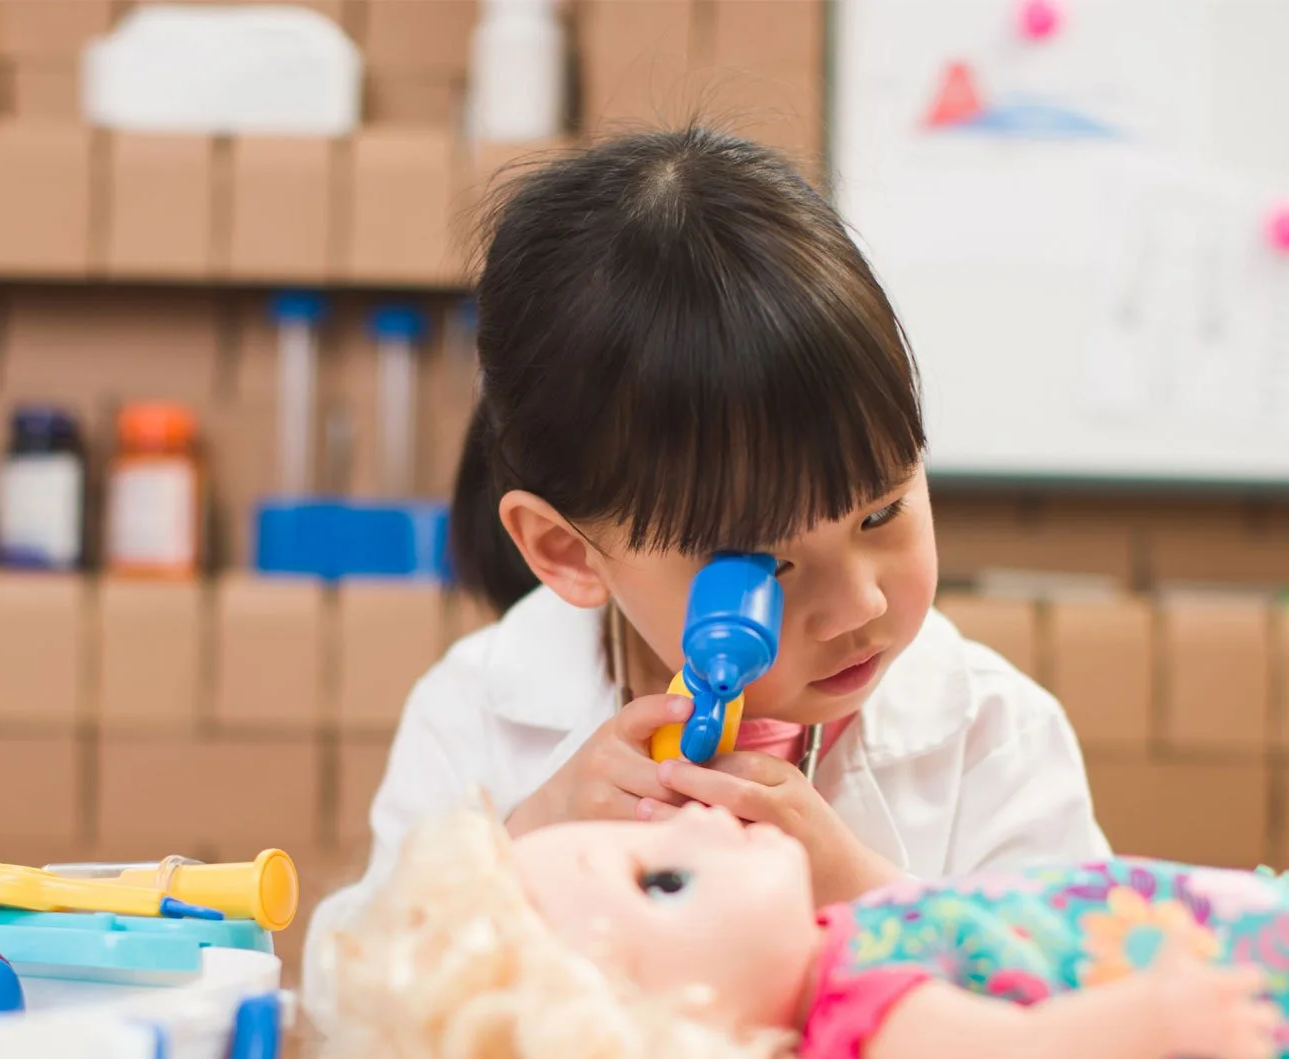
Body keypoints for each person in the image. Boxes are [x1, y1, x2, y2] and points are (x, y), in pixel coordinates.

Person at [305, 128, 1103, 1000]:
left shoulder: (991, 734)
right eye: (767, 566)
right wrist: (524, 846)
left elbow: (1086, 999)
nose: (859, 602)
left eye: (883, 511)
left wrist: (863, 902)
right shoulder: (481, 715)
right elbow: (349, 1000)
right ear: (567, 549)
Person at [319, 800, 1289, 1059]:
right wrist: (1157, 1014)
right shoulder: (856, 1016)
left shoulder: (847, 945)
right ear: (680, 1034)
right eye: (665, 878)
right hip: (1243, 1030)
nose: (695, 820)